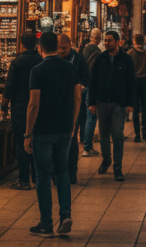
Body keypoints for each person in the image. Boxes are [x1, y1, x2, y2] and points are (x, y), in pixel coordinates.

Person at [24, 31, 80, 237]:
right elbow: (77, 98)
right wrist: (72, 123)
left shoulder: (37, 71)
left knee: (43, 175)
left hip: (43, 130)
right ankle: (65, 214)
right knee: (62, 171)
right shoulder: (71, 67)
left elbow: (33, 104)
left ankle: (46, 223)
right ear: (57, 47)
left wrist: (27, 133)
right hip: (65, 128)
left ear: (40, 48)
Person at [89, 30, 136, 181]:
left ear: (117, 42)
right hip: (102, 102)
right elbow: (94, 80)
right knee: (103, 134)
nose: (106, 43)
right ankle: (106, 160)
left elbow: (131, 82)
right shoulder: (100, 58)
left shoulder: (126, 59)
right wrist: (91, 102)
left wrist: (130, 103)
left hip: (118, 102)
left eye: (109, 40)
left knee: (117, 134)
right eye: (105, 40)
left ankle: (117, 166)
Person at [1, 32, 42, 190]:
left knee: (21, 143)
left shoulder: (17, 62)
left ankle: (24, 179)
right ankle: (37, 177)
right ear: (36, 44)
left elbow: (9, 88)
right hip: (38, 107)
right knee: (35, 142)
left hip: (19, 108)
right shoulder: (40, 60)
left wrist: (4, 107)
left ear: (21, 44)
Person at [57, 34, 90, 184]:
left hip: (73, 104)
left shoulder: (78, 58)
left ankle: (72, 171)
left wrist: (80, 88)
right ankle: (58, 171)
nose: (60, 51)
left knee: (71, 137)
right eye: (58, 48)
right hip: (57, 104)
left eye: (63, 48)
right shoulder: (54, 58)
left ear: (70, 45)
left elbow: (86, 77)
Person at [127, 33, 146, 142]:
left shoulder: (130, 53)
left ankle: (137, 133)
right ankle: (144, 130)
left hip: (134, 82)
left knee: (135, 108)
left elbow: (128, 70)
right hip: (145, 81)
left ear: (134, 41)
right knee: (145, 107)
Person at [80, 29, 102, 157]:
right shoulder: (97, 51)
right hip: (90, 85)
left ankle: (83, 140)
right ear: (99, 39)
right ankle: (87, 147)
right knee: (91, 116)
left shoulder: (83, 49)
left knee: (82, 115)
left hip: (81, 85)